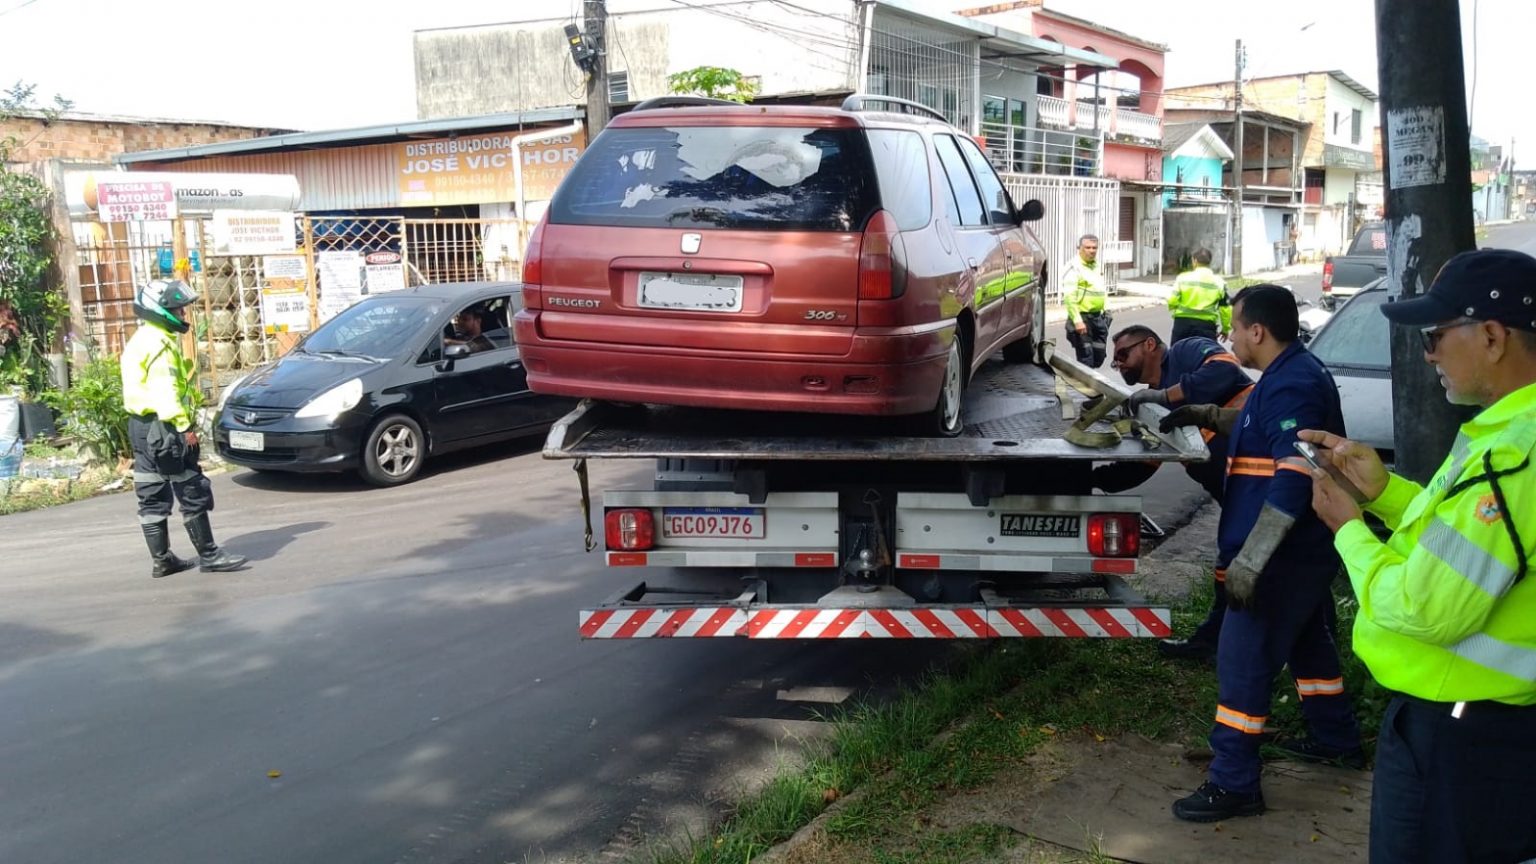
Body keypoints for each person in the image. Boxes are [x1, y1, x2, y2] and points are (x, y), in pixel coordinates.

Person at [1302, 248, 1536, 863]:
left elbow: (1425, 606)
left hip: (1465, 735)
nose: (1427, 353)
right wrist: (1384, 493)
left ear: (1491, 336)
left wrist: (1348, 529)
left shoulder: (1512, 458)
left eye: (1435, 336)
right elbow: (1472, 549)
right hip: (1489, 729)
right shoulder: (1510, 437)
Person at [1167, 283, 1361, 823]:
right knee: (1308, 643)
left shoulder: (1293, 383)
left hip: (1280, 554)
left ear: (1257, 331)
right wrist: (1207, 413)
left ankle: (1234, 782)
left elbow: (1294, 471)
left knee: (1242, 661)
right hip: (1302, 551)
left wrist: (1252, 560)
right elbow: (1263, 429)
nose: (1229, 337)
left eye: (1233, 327)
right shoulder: (1289, 374)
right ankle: (1336, 738)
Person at [1099, 325, 1254, 660]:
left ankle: (1230, 646)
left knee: (1247, 565)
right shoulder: (1153, 410)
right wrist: (1090, 478)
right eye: (1115, 361)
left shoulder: (1185, 352)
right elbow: (1143, 466)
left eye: (1124, 354)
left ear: (1150, 344)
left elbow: (1225, 372)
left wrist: (1165, 396)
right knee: (1232, 566)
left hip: (1259, 475)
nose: (1120, 364)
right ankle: (1217, 643)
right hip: (1233, 493)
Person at [121, 280, 247, 578]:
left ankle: (162, 559)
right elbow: (165, 391)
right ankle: (210, 555)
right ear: (159, 310)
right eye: (176, 308)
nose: (182, 313)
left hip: (141, 426)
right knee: (190, 484)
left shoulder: (141, 338)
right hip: (165, 424)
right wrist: (184, 427)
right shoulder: (161, 345)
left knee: (150, 489)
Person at [1060, 234, 1109, 367]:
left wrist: (1107, 310)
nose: (1092, 251)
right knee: (1086, 358)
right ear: (1079, 248)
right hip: (1082, 319)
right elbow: (1070, 297)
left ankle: (1088, 381)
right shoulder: (1074, 267)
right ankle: (1085, 386)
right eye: (1088, 247)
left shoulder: (1096, 266)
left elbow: (1101, 290)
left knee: (1098, 356)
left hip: (1097, 318)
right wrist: (1077, 321)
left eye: (1094, 248)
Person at [1167, 248, 1231, 343]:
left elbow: (1172, 300)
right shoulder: (1219, 283)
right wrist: (1225, 329)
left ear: (1194, 261)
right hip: (1206, 326)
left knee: (1177, 354)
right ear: (1209, 262)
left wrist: (1173, 306)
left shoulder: (1182, 278)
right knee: (1206, 356)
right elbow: (1225, 309)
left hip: (1182, 324)